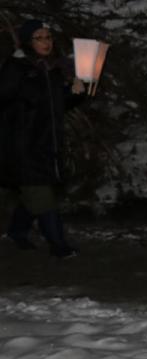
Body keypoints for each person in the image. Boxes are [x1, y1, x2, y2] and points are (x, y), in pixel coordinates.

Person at [1, 19, 86, 257]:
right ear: (28, 41)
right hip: (22, 143)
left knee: (35, 191)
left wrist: (75, 94)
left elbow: (57, 105)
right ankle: (58, 245)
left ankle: (17, 231)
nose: (45, 42)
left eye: (48, 37)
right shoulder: (16, 67)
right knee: (42, 194)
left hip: (47, 141)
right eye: (39, 38)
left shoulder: (52, 68)